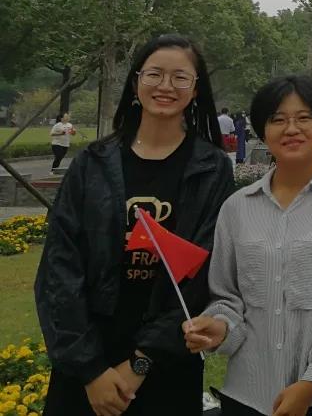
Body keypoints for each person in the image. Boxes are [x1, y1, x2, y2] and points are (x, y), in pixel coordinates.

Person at [35, 34, 234, 416]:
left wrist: (142, 362)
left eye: (180, 77)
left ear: (195, 90)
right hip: (88, 359)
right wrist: (91, 370)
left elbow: (205, 272)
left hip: (168, 360)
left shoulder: (211, 169)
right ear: (136, 82)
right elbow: (59, 269)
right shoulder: (92, 163)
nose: (165, 85)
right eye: (154, 74)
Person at [184, 75, 312, 415]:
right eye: (278, 119)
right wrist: (219, 326)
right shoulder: (237, 207)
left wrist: (311, 382)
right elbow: (226, 295)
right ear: (263, 130)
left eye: (304, 118)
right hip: (248, 393)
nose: (291, 129)